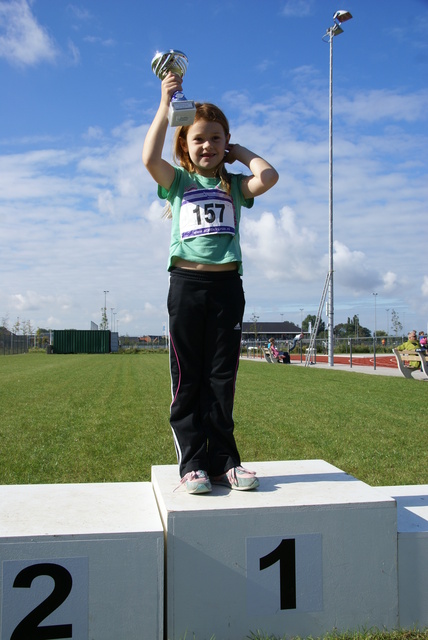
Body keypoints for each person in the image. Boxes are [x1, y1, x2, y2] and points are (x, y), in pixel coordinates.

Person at [142, 71, 279, 494]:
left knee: (222, 376)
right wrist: (167, 107)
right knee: (188, 376)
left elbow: (269, 175)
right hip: (186, 286)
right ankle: (192, 463)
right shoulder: (179, 184)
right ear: (185, 145)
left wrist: (239, 152)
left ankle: (224, 461)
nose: (209, 146)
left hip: (227, 290)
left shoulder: (235, 186)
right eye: (199, 138)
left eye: (217, 138)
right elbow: (149, 159)